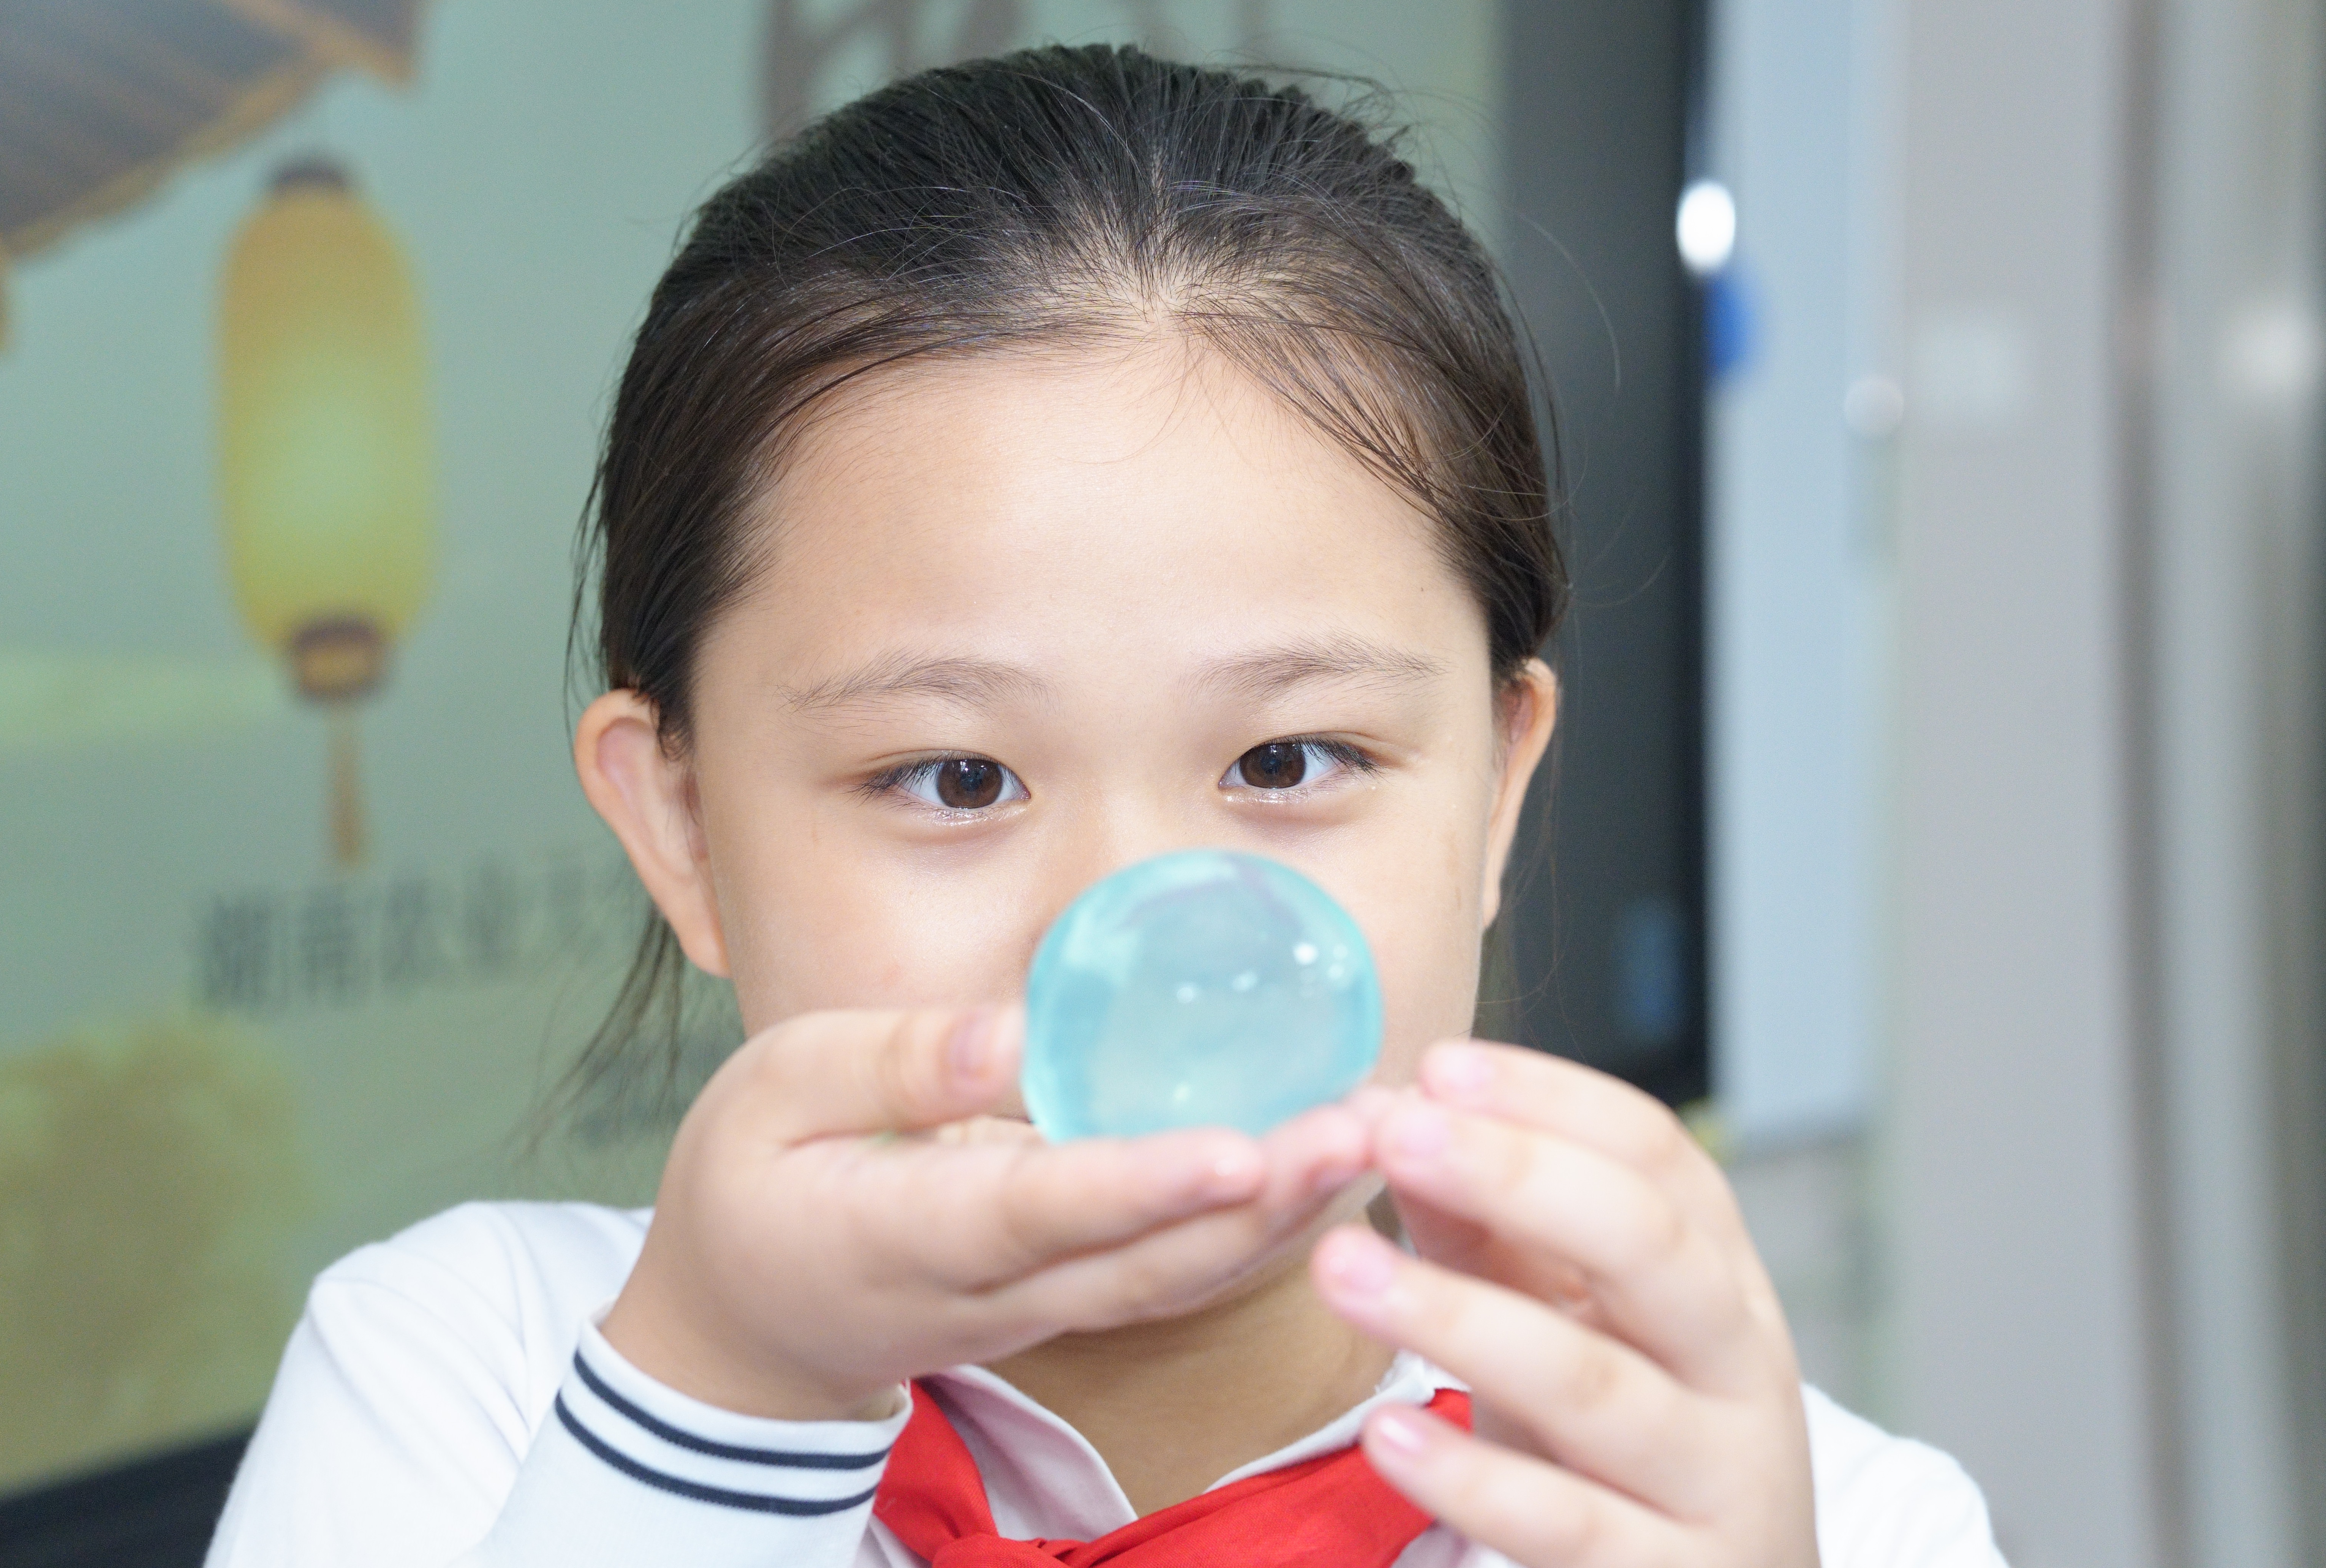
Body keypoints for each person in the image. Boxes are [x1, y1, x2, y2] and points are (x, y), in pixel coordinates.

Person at [206, 44, 2003, 1568]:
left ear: (1497, 789)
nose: (1133, 932)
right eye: (957, 778)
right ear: (680, 826)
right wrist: (723, 1406)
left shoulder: (1811, 1518)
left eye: (1289, 762)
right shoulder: (468, 1387)